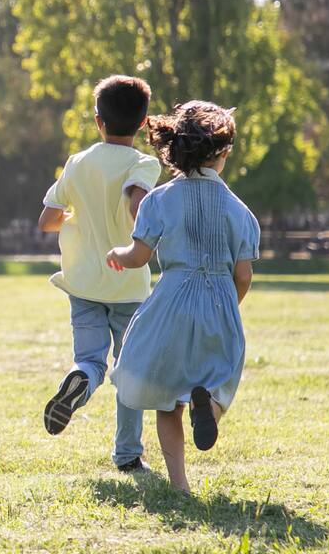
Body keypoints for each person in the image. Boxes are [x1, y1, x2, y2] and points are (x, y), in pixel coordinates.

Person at [106, 100, 259, 493]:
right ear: (223, 153)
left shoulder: (158, 200)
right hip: (220, 301)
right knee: (220, 379)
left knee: (166, 397)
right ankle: (209, 408)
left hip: (171, 301)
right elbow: (243, 275)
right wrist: (228, 306)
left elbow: (138, 256)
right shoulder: (240, 211)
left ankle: (180, 485)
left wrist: (118, 254)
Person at [37, 75, 162, 472]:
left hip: (83, 282)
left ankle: (80, 379)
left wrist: (78, 218)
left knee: (90, 359)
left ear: (98, 121)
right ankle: (128, 454)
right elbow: (137, 204)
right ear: (143, 123)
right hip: (127, 283)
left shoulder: (78, 162)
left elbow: (47, 220)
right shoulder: (144, 163)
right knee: (130, 369)